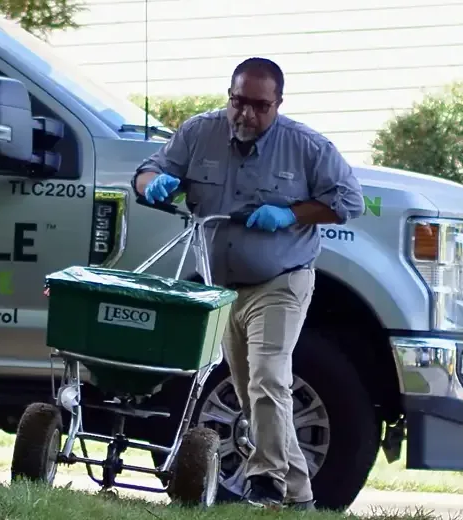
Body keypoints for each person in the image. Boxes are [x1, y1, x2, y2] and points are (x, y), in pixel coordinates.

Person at [131, 57, 364, 510]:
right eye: (240, 103)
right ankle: (300, 499)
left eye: (260, 106)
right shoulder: (200, 133)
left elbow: (350, 201)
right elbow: (147, 171)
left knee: (269, 378)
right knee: (253, 393)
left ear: (278, 104)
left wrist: (292, 214)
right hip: (221, 288)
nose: (247, 115)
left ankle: (266, 482)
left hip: (281, 281)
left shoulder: (306, 146)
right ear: (229, 96)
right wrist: (152, 184)